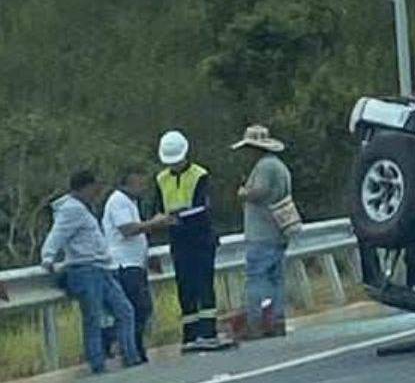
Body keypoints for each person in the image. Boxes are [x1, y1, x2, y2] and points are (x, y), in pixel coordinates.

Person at [40, 170, 143, 374]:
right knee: (93, 318)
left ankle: (130, 356)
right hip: (85, 269)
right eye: (94, 186)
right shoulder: (71, 210)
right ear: (84, 187)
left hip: (101, 268)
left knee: (124, 311)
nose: (97, 190)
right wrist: (48, 256)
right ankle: (98, 364)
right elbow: (57, 234)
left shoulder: (83, 208)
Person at [153, 130, 232, 352]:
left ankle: (208, 332)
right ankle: (190, 334)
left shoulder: (199, 174)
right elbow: (158, 208)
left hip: (201, 237)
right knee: (185, 286)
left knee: (203, 284)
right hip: (178, 240)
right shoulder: (161, 179)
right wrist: (163, 219)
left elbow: (202, 205)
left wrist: (176, 215)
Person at [101, 168, 176, 363]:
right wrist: (154, 223)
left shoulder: (130, 203)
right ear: (127, 184)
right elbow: (128, 229)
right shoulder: (118, 201)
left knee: (139, 309)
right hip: (124, 265)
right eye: (139, 184)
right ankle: (125, 348)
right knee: (138, 308)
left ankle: (133, 349)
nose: (142, 188)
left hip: (135, 263)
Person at [231, 125, 293, 340]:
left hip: (262, 232)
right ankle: (275, 320)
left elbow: (260, 191)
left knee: (257, 277)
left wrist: (243, 193)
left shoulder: (265, 167)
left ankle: (256, 322)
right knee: (275, 278)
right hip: (277, 230)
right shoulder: (279, 166)